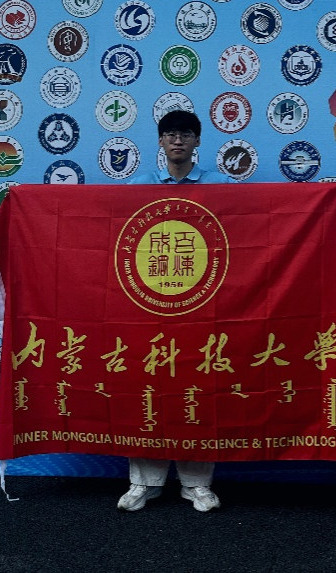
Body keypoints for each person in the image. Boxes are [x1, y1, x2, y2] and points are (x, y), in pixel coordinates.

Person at [118, 109, 232, 514]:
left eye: (185, 134)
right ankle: (143, 483)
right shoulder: (138, 187)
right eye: (170, 134)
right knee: (147, 388)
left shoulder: (222, 186)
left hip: (203, 301)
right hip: (148, 302)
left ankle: (197, 485)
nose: (177, 140)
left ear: (197, 141)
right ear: (161, 141)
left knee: (197, 387)